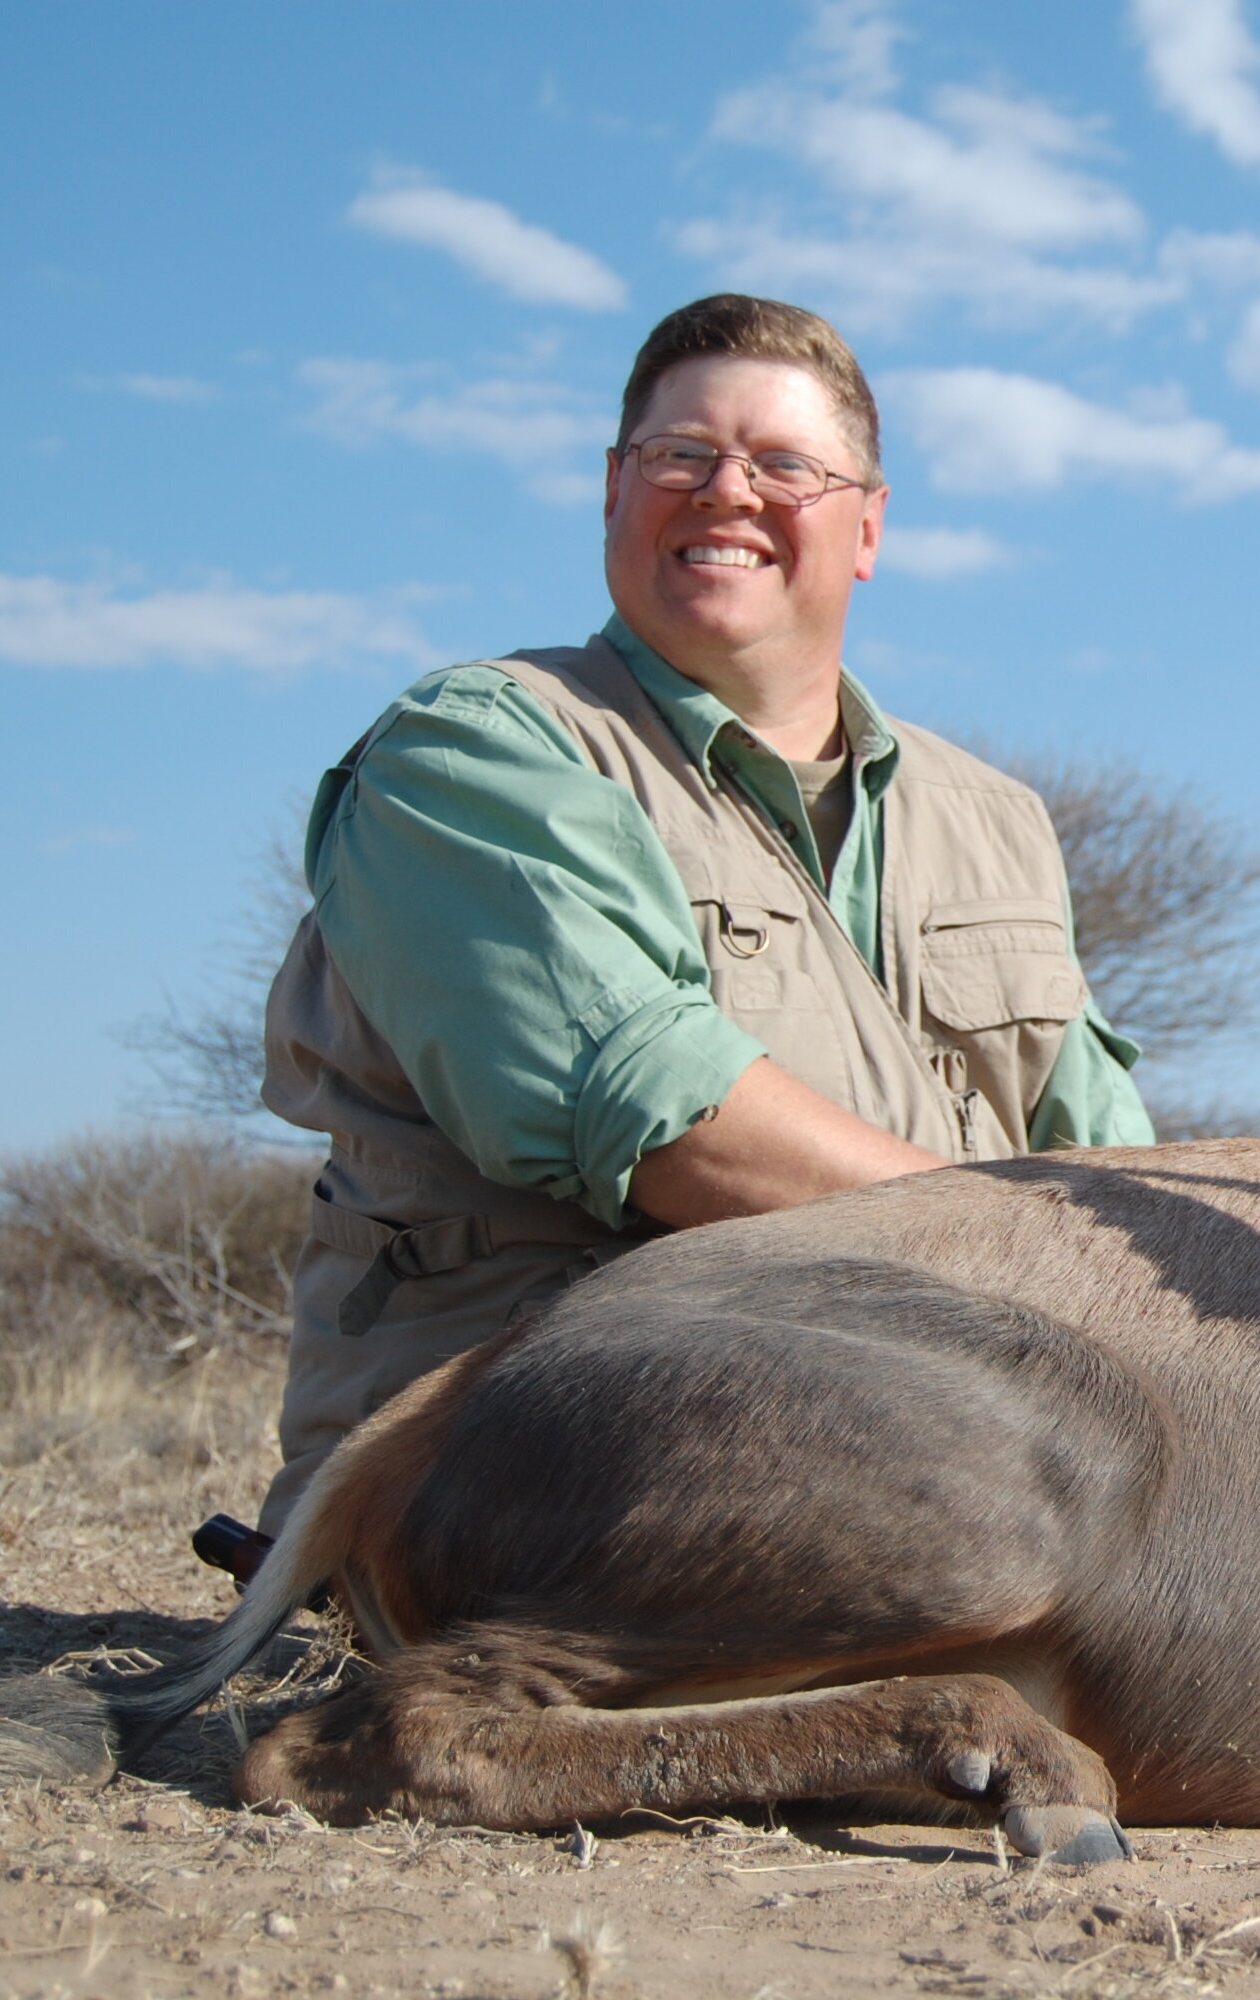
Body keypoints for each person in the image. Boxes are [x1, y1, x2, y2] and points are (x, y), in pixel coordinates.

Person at [224, 294, 1153, 1551]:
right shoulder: (473, 747)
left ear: (867, 525)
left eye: (784, 466)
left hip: (940, 1434)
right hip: (527, 1455)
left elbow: (1109, 1168)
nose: (727, 491)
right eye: (681, 455)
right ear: (615, 490)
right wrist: (1056, 1267)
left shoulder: (996, 818)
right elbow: (664, 1114)